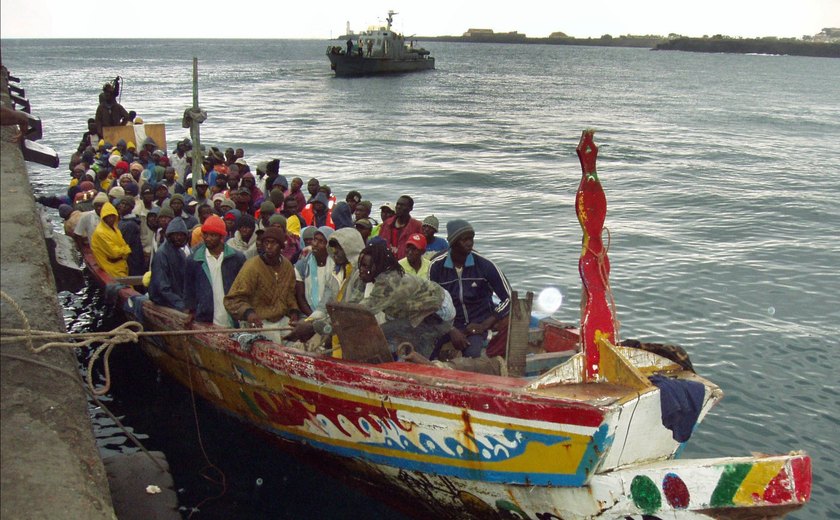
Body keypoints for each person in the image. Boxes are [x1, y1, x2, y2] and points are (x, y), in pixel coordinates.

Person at [429, 220, 511, 359]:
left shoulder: (484, 265)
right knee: (427, 352)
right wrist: (451, 329)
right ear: (453, 242)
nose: (469, 243)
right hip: (448, 323)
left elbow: (509, 298)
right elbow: (431, 303)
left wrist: (484, 325)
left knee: (472, 356)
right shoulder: (436, 266)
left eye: (471, 238)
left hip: (477, 324)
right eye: (464, 239)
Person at [355, 242, 454, 357]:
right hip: (421, 306)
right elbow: (355, 301)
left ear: (378, 266)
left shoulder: (388, 282)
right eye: (361, 265)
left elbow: (365, 309)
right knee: (394, 331)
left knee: (385, 334)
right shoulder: (375, 278)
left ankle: (418, 363)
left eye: (366, 266)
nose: (361, 269)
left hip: (439, 308)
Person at [286, 228, 366, 357]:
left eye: (339, 248)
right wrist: (309, 322)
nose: (335, 252)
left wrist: (313, 327)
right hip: (336, 327)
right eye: (333, 248)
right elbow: (325, 303)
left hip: (358, 332)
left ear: (350, 248)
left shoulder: (361, 275)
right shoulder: (336, 272)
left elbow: (351, 312)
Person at [224, 227, 301, 342]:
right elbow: (232, 300)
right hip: (260, 321)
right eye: (266, 242)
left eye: (273, 243)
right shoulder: (252, 266)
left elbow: (290, 294)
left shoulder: (287, 266)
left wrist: (294, 311)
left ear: (281, 246)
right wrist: (249, 313)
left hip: (282, 320)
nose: (269, 246)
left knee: (301, 340)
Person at [183, 215, 247, 327]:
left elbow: (244, 287)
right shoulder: (194, 260)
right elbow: (189, 288)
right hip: (205, 318)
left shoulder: (237, 258)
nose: (208, 238)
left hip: (232, 318)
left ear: (221, 236)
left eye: (213, 235)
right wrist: (192, 311)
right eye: (206, 234)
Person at [148, 217, 190, 311]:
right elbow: (162, 286)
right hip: (164, 302)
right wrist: (180, 305)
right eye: (176, 235)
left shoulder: (181, 253)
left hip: (176, 300)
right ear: (169, 236)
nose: (179, 238)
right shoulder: (162, 254)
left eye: (182, 235)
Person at [294, 226, 334, 316]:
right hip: (307, 314)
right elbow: (300, 297)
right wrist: (312, 316)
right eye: (315, 240)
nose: (315, 244)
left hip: (331, 315)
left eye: (321, 242)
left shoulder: (336, 266)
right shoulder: (303, 264)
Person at [90, 202, 132, 278]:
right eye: (108, 216)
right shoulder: (100, 232)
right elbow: (114, 253)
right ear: (103, 217)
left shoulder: (115, 229)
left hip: (121, 266)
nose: (111, 219)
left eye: (113, 216)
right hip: (110, 268)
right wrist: (125, 250)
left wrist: (124, 250)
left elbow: (123, 245)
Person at [378, 195, 423, 260]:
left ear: (410, 208)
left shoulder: (417, 226)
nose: (398, 207)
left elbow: (421, 247)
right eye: (397, 204)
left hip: (407, 263)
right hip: (386, 262)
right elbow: (380, 242)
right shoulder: (387, 224)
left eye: (402, 205)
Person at [116, 196, 145, 276]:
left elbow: (125, 244)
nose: (123, 206)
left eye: (127, 205)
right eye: (122, 203)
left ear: (131, 208)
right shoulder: (123, 221)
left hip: (132, 260)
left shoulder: (130, 225)